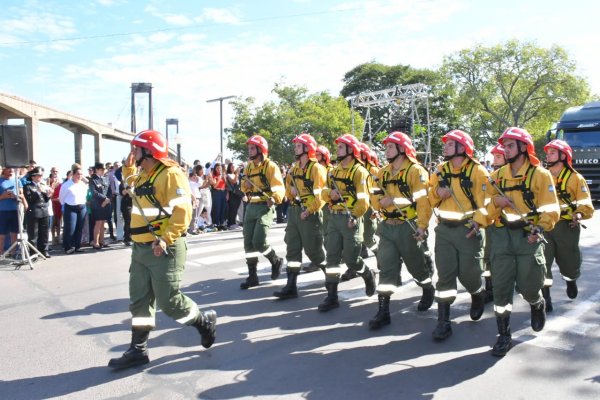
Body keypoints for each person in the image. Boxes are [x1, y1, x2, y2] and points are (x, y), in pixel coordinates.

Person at [108, 129, 216, 370]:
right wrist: (128, 169)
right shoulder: (144, 174)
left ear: (148, 151)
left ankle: (203, 323)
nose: (132, 152)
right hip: (140, 250)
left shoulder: (170, 174)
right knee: (139, 301)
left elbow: (182, 211)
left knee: (169, 303)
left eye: (136, 148)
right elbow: (130, 188)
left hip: (163, 248)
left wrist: (166, 239)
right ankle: (138, 350)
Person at [486, 127, 559, 357]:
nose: (505, 150)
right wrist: (496, 202)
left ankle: (537, 304)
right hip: (501, 236)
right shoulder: (496, 177)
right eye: (504, 146)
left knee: (529, 286)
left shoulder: (540, 175)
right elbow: (485, 210)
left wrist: (540, 227)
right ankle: (503, 335)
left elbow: (550, 208)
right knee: (501, 289)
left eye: (510, 146)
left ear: (523, 147)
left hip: (529, 236)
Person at [368, 131, 435, 329]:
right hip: (388, 227)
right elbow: (374, 195)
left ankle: (427, 287)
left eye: (390, 146)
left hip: (409, 226)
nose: (386, 150)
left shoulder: (416, 171)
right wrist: (380, 203)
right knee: (386, 267)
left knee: (416, 267)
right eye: (386, 146)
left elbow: (423, 202)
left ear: (401, 149)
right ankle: (383, 311)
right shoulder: (382, 173)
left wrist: (422, 226)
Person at [428, 129, 489, 341]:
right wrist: (437, 193)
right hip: (444, 230)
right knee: (444, 275)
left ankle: (477, 293)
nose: (445, 147)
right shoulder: (440, 170)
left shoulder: (478, 171)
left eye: (450, 144)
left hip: (468, 231)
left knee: (469, 274)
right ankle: (443, 322)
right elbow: (430, 196)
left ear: (462, 148)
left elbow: (486, 203)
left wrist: (478, 223)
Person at [319, 133, 376, 312]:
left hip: (351, 219)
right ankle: (332, 296)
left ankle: (367, 274)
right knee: (332, 256)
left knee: (352, 258)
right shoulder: (334, 171)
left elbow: (363, 200)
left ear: (351, 150)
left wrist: (355, 215)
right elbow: (323, 191)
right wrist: (330, 194)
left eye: (342, 147)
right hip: (334, 217)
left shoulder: (360, 172)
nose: (338, 150)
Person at [541, 139, 594, 311]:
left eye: (552, 152)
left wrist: (579, 214)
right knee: (542, 262)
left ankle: (571, 280)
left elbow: (585, 203)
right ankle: (545, 298)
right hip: (546, 225)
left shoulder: (575, 178)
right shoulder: (541, 176)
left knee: (569, 262)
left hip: (567, 226)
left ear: (563, 156)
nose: (548, 156)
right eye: (548, 153)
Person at [273, 133, 327, 299]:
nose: (295, 148)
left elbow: (321, 197)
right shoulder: (294, 168)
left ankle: (331, 276)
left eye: (298, 146)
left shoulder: (317, 169)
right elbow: (287, 189)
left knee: (313, 251)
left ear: (306, 148)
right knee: (292, 249)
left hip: (309, 215)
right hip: (295, 212)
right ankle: (291, 286)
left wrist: (309, 210)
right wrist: (291, 192)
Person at [239, 134, 285, 289]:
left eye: (252, 148)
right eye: (249, 148)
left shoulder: (271, 166)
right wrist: (245, 186)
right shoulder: (249, 166)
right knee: (248, 243)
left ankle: (275, 260)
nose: (250, 151)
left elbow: (279, 187)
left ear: (260, 149)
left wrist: (275, 198)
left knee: (259, 241)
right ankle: (252, 276)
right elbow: (244, 186)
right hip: (251, 206)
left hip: (265, 207)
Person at [482, 144, 507, 303]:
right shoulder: (491, 177)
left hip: (510, 227)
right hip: (491, 224)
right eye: (494, 157)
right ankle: (489, 288)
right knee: (488, 256)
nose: (494, 160)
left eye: (498, 156)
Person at [23, 167, 52, 258]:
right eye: (39, 175)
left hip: (44, 211)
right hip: (34, 212)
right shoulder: (28, 186)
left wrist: (48, 194)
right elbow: (29, 200)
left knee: (44, 233)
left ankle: (44, 250)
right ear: (33, 176)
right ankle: (33, 252)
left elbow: (45, 200)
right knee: (33, 234)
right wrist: (37, 192)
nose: (40, 177)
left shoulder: (42, 185)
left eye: (41, 175)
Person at [357, 142, 380, 261]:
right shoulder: (354, 170)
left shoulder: (374, 171)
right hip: (357, 207)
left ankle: (378, 253)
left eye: (360, 154)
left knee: (368, 238)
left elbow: (378, 193)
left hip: (370, 208)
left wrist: (376, 209)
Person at [59, 167, 88, 254]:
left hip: (82, 207)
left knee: (80, 227)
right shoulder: (66, 185)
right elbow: (61, 198)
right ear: (73, 175)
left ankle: (77, 246)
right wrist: (67, 204)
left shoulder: (83, 184)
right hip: (70, 207)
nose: (79, 176)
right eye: (77, 174)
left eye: (81, 174)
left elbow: (85, 195)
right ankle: (68, 247)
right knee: (70, 228)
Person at [0, 167, 28, 257]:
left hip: (15, 210)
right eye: (8, 168)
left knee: (14, 233)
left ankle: (13, 253)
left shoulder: (17, 181)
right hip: (2, 211)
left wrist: (15, 196)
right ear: (4, 170)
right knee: (1, 234)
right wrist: (2, 197)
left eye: (12, 169)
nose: (11, 170)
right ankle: (1, 254)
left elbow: (21, 194)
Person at [89, 162, 111, 249]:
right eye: (101, 169)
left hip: (105, 204)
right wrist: (104, 199)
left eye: (103, 169)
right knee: (98, 223)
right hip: (97, 204)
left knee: (103, 223)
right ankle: (96, 242)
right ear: (97, 170)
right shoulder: (93, 180)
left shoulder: (105, 179)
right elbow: (94, 193)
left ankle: (102, 240)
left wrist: (107, 200)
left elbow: (109, 190)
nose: (103, 171)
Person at [208, 163, 227, 230]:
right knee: (217, 208)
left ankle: (222, 223)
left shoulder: (223, 175)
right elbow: (215, 186)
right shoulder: (214, 176)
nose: (219, 169)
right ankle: (216, 223)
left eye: (220, 168)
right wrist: (219, 179)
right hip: (216, 192)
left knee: (223, 208)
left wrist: (224, 178)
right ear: (215, 169)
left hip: (223, 192)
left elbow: (226, 185)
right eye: (218, 168)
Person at [225, 162, 243, 229]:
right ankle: (230, 223)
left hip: (238, 193)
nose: (233, 168)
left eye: (234, 167)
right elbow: (234, 181)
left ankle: (234, 223)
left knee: (236, 209)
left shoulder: (237, 174)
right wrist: (237, 174)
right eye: (232, 167)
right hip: (232, 193)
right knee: (232, 209)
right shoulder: (228, 175)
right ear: (229, 168)